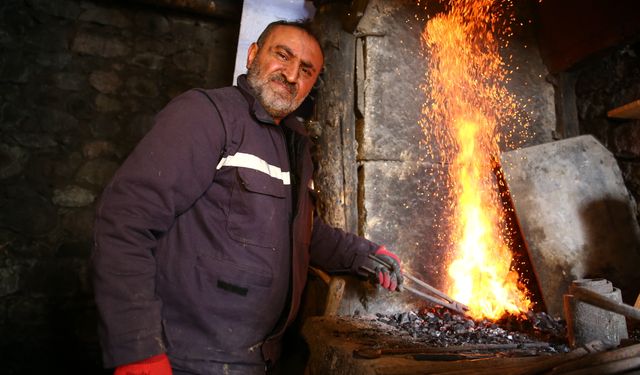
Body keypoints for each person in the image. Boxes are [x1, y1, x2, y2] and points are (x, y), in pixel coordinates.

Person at [92, 20, 403, 375]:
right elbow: (125, 221)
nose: (290, 75)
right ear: (253, 55)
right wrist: (137, 352)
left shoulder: (294, 144)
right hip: (185, 359)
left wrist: (362, 254)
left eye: (306, 70)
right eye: (282, 56)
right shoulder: (206, 116)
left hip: (256, 361)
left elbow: (300, 232)